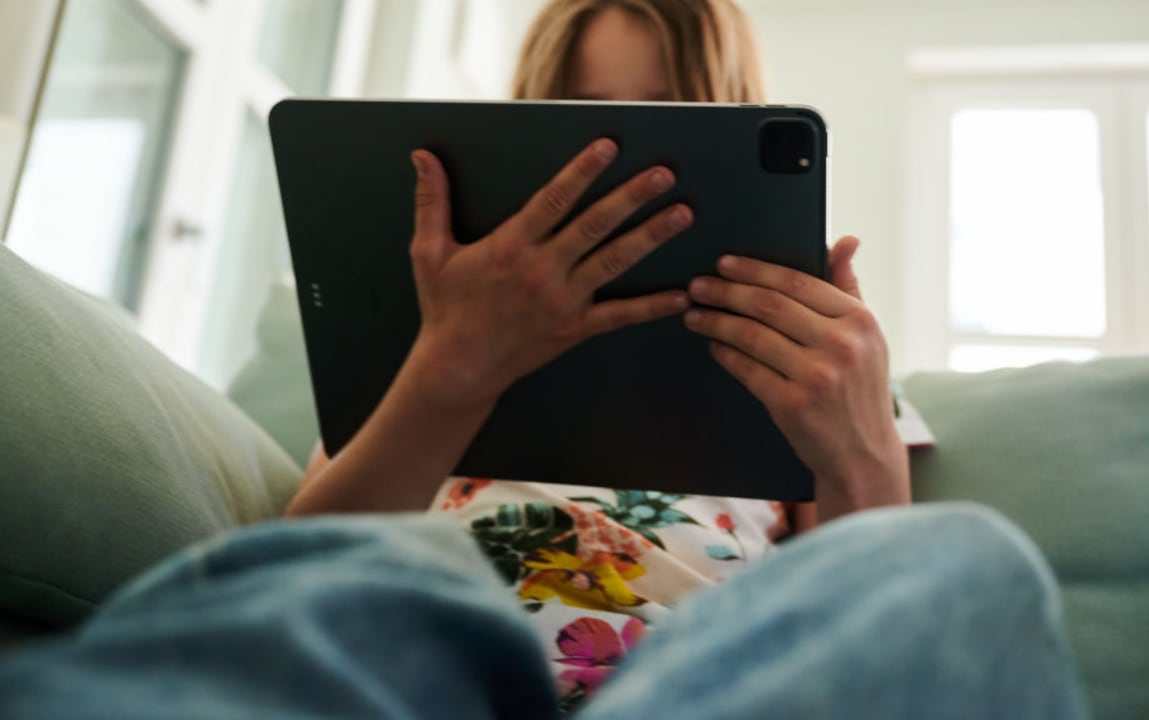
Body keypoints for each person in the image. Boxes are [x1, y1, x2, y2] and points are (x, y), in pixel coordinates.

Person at [0, 1, 1089, 718]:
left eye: (668, 122)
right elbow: (294, 571)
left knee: (969, 562)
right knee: (393, 584)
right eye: (584, 122)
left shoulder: (809, 356)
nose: (622, 168)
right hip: (425, 661)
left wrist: (861, 458)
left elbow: (869, 612)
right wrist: (452, 367)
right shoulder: (426, 347)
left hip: (697, 679)